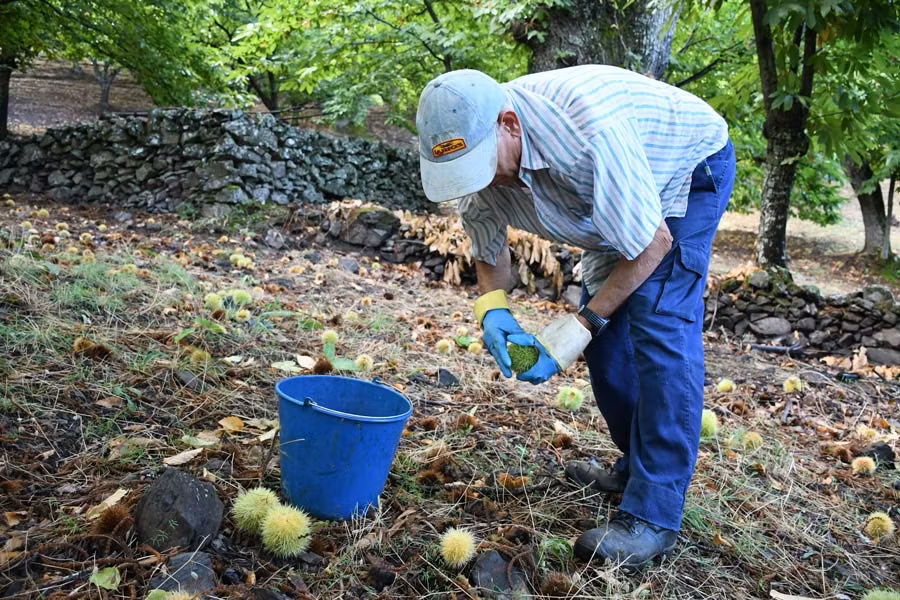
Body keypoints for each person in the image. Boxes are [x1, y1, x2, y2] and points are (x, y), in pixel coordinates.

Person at [415, 65, 735, 567]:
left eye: (481, 165)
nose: (479, 181)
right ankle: (636, 468)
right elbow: (487, 244)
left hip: (685, 172)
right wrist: (492, 311)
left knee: (656, 324)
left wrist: (582, 323)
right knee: (608, 349)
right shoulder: (484, 155)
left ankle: (655, 513)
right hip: (616, 205)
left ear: (509, 123)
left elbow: (652, 244)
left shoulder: (587, 135)